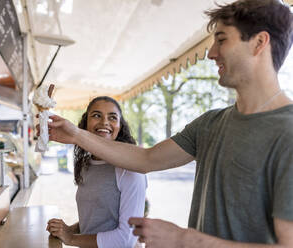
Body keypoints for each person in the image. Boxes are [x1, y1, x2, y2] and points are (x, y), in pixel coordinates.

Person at [40, 0, 293, 246]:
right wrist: (75, 134)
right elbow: (146, 159)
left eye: (222, 40)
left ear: (259, 43)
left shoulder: (287, 133)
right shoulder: (210, 124)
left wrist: (184, 239)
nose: (211, 53)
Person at [46, 96, 147, 247]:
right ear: (86, 124)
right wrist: (68, 230)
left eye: (112, 117)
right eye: (96, 115)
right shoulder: (87, 164)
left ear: (120, 126)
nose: (104, 122)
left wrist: (71, 239)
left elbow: (126, 239)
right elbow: (96, 217)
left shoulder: (130, 170)